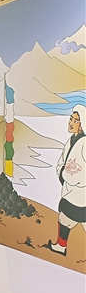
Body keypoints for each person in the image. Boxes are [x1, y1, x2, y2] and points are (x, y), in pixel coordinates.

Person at [45, 104, 86, 257]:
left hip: (80, 193)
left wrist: (69, 176)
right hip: (70, 190)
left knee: (67, 216)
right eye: (70, 119)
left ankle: (61, 246)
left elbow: (82, 172)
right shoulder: (71, 141)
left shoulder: (84, 143)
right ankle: (61, 246)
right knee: (65, 218)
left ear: (82, 124)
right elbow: (62, 162)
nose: (71, 123)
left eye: (75, 120)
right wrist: (62, 173)